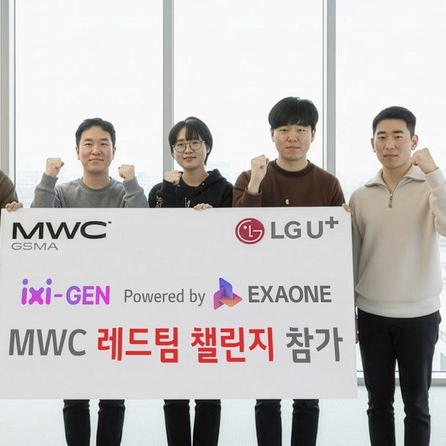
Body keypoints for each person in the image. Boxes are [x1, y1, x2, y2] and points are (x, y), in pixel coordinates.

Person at [233, 97, 345, 446]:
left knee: (307, 398)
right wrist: (255, 184)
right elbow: (236, 235)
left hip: (311, 304)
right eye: (283, 129)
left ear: (313, 134)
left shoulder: (327, 183)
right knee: (267, 397)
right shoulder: (250, 178)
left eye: (300, 129)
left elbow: (337, 253)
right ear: (272, 135)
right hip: (261, 301)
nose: (292, 136)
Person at [32, 117, 148, 446]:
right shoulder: (64, 192)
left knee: (113, 398)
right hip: (73, 305)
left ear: (114, 151)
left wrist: (132, 183)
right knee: (75, 397)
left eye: (103, 144)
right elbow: (40, 223)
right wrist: (48, 177)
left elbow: (143, 227)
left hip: (116, 305)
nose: (96, 150)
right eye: (88, 144)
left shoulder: (123, 193)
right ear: (77, 151)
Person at [349, 106, 445, 446]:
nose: (389, 144)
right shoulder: (360, 195)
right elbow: (353, 258)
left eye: (398, 136)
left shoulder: (430, 188)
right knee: (378, 404)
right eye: (382, 137)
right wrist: (348, 310)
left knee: (416, 405)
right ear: (372, 143)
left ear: (413, 141)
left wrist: (433, 172)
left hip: (420, 316)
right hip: (372, 314)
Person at [149, 116, 232, 446]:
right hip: (169, 298)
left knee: (210, 390)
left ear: (207, 146)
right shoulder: (160, 191)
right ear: (173, 150)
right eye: (180, 144)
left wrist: (210, 222)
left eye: (194, 142)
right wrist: (171, 191)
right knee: (174, 391)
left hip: (214, 300)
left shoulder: (226, 190)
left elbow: (234, 244)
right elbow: (154, 239)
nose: (187, 149)